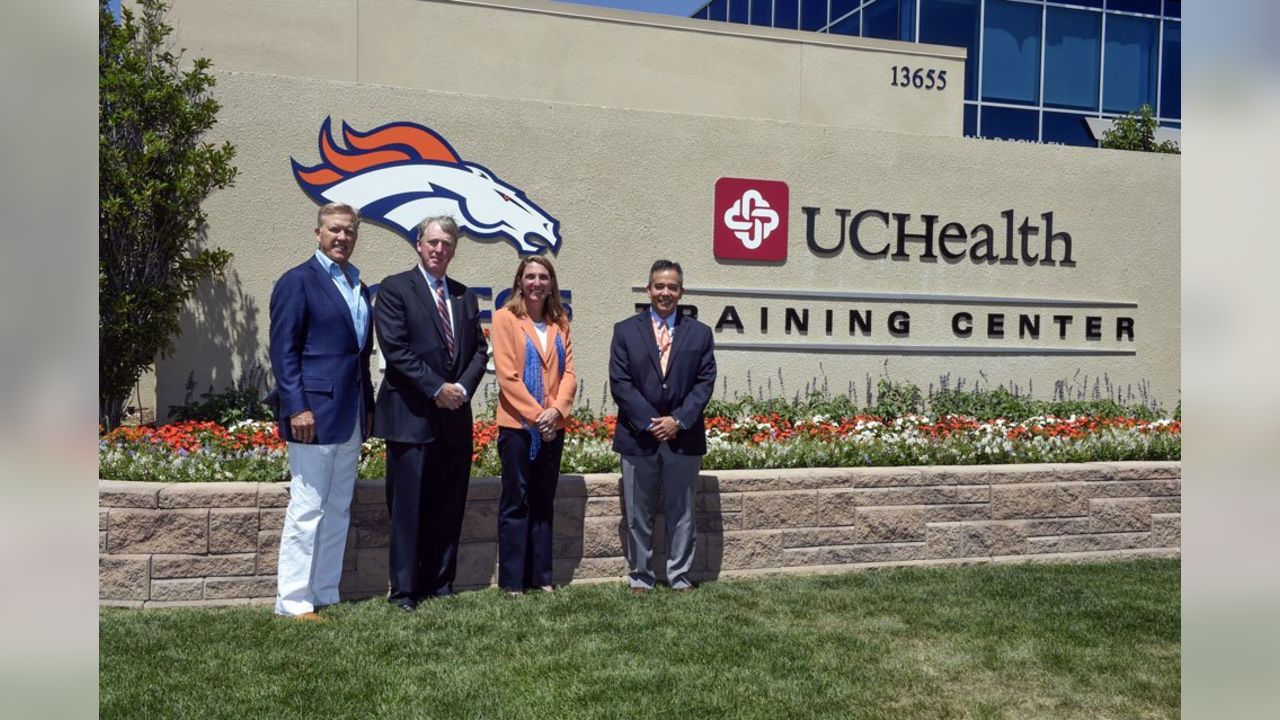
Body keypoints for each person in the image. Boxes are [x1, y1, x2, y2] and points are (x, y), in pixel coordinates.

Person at [372, 215, 488, 611]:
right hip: (411, 418)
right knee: (407, 510)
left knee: (448, 505)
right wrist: (437, 388)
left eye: (448, 244)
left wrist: (462, 389)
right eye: (433, 242)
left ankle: (440, 584)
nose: (440, 249)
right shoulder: (394, 289)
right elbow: (396, 349)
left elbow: (478, 351)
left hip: (454, 420)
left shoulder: (464, 296)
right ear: (419, 244)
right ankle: (404, 591)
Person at [269, 202, 375, 621]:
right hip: (313, 413)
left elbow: (359, 355)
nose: (342, 238)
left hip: (350, 413)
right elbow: (283, 350)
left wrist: (367, 405)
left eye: (349, 231)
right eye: (334, 230)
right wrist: (297, 406)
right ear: (318, 233)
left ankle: (325, 590)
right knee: (308, 506)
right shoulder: (298, 282)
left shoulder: (356, 283)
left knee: (338, 507)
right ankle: (293, 600)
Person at [609, 259, 716, 593]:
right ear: (649, 289)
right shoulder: (625, 331)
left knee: (682, 511)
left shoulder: (700, 333)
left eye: (672, 287)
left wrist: (678, 421)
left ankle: (679, 575)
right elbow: (620, 383)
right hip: (638, 438)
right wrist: (652, 423)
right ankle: (641, 576)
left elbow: (705, 382)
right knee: (638, 513)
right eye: (659, 286)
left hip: (683, 438)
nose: (665, 292)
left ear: (681, 291)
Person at [491, 257, 577, 595]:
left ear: (551, 283)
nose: (536, 283)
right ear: (519, 281)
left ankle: (542, 577)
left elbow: (569, 373)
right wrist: (537, 414)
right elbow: (507, 376)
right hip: (517, 427)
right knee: (517, 500)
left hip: (553, 426)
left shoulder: (560, 322)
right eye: (530, 277)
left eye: (543, 277)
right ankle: (512, 581)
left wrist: (555, 412)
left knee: (544, 500)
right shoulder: (504, 319)